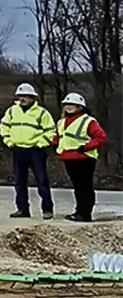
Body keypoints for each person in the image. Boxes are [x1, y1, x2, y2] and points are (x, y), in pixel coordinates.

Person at [0, 83, 59, 219]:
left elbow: (50, 131)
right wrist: (8, 141)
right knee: (19, 182)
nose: (22, 98)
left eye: (25, 96)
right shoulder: (12, 111)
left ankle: (47, 209)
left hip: (35, 151)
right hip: (18, 150)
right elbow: (4, 126)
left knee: (42, 181)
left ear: (33, 97)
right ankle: (22, 209)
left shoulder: (42, 113)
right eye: (20, 96)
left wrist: (40, 144)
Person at [57, 91, 106, 223]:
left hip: (84, 158)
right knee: (78, 187)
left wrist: (85, 147)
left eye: (72, 104)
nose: (68, 107)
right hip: (69, 157)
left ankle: (85, 214)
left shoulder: (88, 121)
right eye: (66, 104)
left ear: (80, 107)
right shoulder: (62, 122)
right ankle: (79, 211)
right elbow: (60, 137)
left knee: (85, 187)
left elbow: (101, 137)